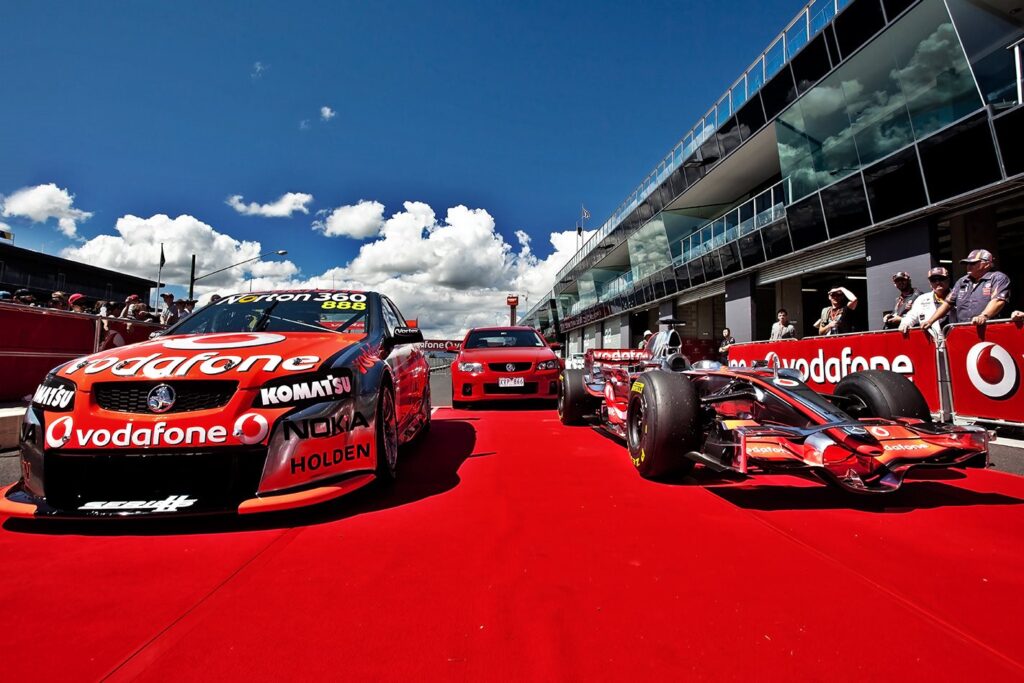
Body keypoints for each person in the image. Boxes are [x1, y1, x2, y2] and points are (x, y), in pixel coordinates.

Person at [922, 249, 1009, 329]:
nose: (968, 266)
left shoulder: (997, 277)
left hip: (988, 328)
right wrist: (931, 321)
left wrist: (984, 316)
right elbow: (947, 303)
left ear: (986, 264)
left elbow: (998, 300)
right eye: (967, 263)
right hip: (964, 330)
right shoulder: (962, 281)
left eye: (973, 263)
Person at [899, 267, 950, 337]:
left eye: (941, 278)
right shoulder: (922, 299)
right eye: (933, 280)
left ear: (948, 280)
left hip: (956, 340)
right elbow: (911, 316)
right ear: (930, 283)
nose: (937, 282)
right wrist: (905, 324)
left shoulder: (959, 296)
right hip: (932, 343)